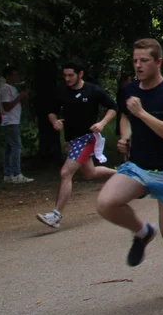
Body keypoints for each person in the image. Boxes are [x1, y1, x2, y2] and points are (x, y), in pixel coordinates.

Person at [95, 39, 163, 299]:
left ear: (158, 62)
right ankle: (142, 232)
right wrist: (126, 136)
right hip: (138, 166)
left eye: (144, 61)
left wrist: (142, 114)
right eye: (135, 61)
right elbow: (125, 117)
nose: (138, 65)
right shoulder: (130, 89)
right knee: (106, 203)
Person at [37, 60, 118, 228]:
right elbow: (51, 111)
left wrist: (102, 123)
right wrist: (54, 121)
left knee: (66, 172)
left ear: (80, 74)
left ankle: (56, 215)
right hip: (71, 140)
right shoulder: (62, 91)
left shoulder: (93, 90)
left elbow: (113, 107)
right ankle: (123, 175)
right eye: (65, 75)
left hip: (86, 138)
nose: (67, 79)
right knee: (90, 173)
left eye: (71, 75)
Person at [0, 66, 33, 183]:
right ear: (7, 76)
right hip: (9, 121)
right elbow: (7, 107)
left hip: (14, 120)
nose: (16, 77)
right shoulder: (5, 88)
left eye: (17, 75)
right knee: (16, 147)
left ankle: (8, 174)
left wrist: (23, 96)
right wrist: (19, 97)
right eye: (14, 75)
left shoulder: (14, 88)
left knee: (9, 148)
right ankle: (16, 174)